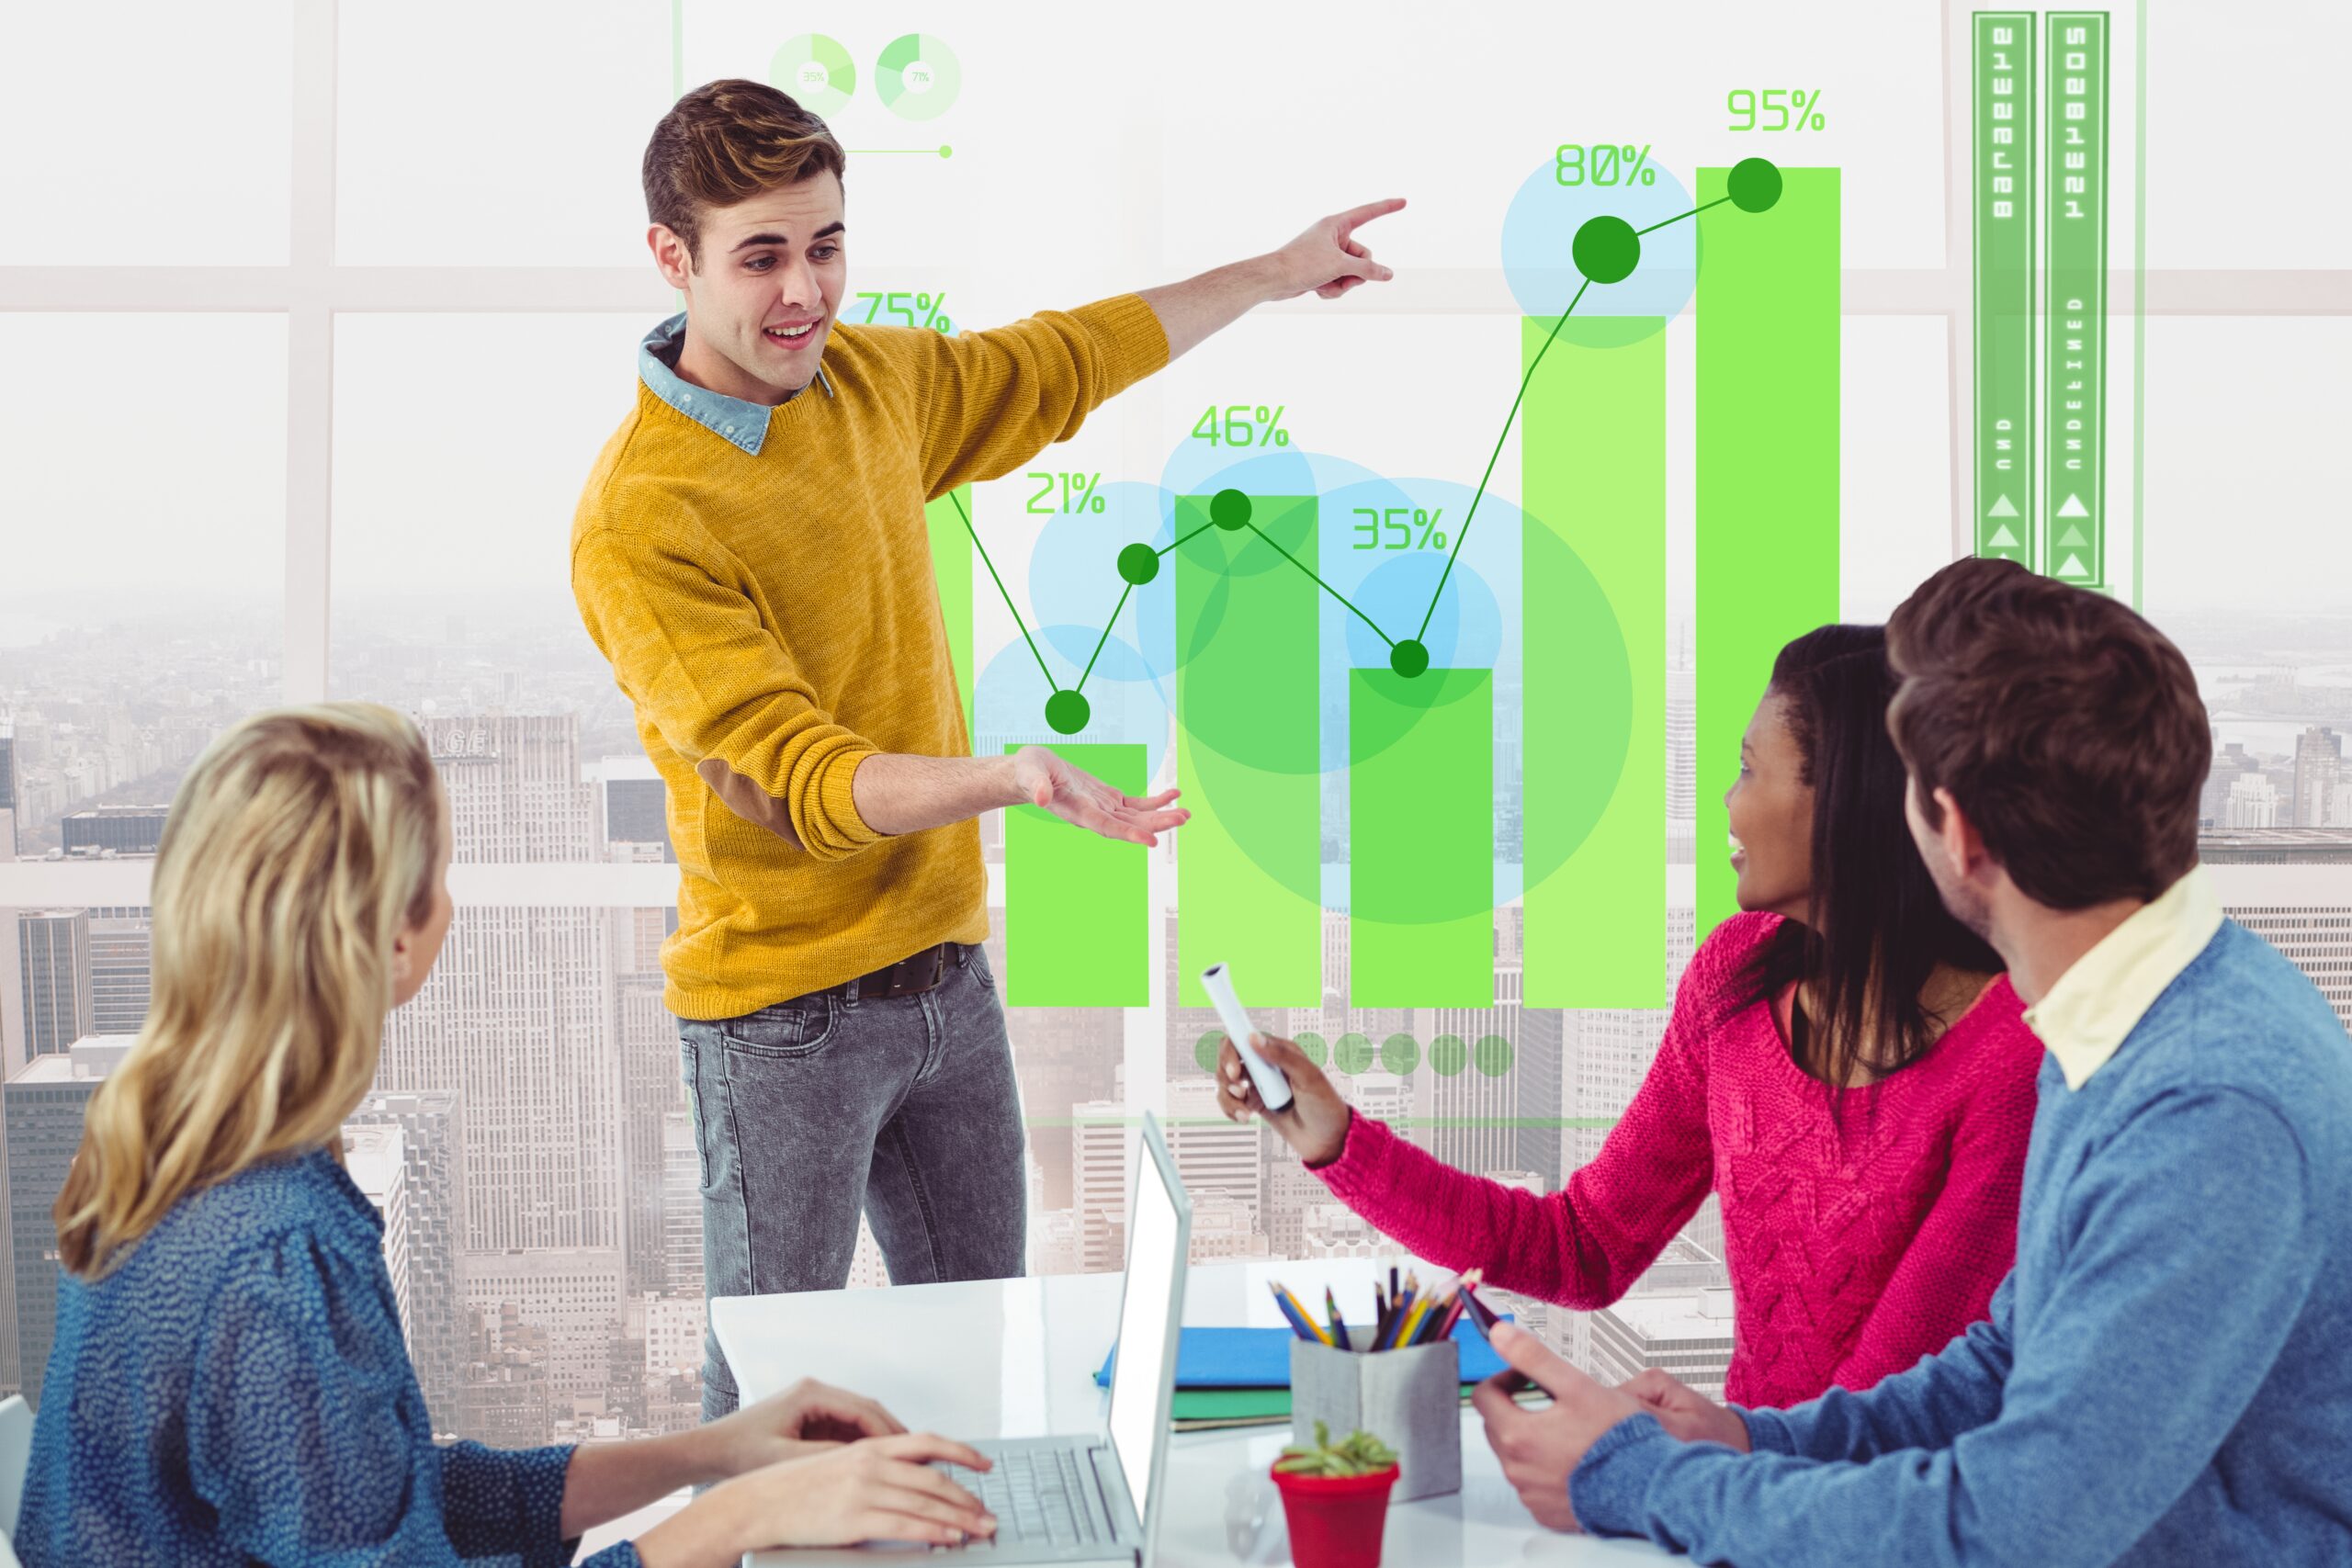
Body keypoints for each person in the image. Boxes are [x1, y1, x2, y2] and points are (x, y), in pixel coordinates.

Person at [571, 78, 1403, 1420]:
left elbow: (1061, 361)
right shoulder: (642, 515)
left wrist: (1273, 270)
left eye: (826, 246)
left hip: (945, 978)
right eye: (762, 257)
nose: (805, 292)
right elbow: (798, 782)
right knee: (763, 1400)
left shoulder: (869, 385)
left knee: (984, 1366)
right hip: (782, 1017)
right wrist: (1010, 778)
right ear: (674, 258)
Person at [1475, 558, 2352, 1565]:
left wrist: (1634, 1478)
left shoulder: (2207, 1104)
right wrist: (1751, 1439)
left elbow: (2013, 1527)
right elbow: (2002, 1362)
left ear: (1957, 832)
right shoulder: (2121, 1008)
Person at [15, 705, 1006, 1567]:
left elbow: (383, 1494)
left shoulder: (181, 1153)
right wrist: (744, 1515)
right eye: (442, 875)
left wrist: (721, 1451)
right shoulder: (275, 1253)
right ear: (392, 938)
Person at [1219, 625, 2042, 1407]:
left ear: (1846, 803)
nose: (1728, 800)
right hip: (1741, 1479)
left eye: (1749, 769)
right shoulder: (1737, 975)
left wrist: (1654, 1454)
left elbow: (1883, 1415)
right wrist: (1336, 1138)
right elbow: (1583, 1246)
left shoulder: (2012, 1059)